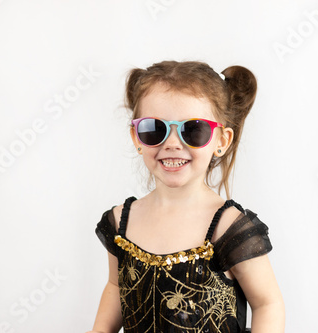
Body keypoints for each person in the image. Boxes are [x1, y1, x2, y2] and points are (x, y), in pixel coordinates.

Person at [88, 60, 285, 332]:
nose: (171, 143)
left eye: (193, 130)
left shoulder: (227, 227)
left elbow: (267, 303)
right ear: (136, 137)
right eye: (154, 129)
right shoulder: (121, 221)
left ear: (221, 141)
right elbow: (116, 286)